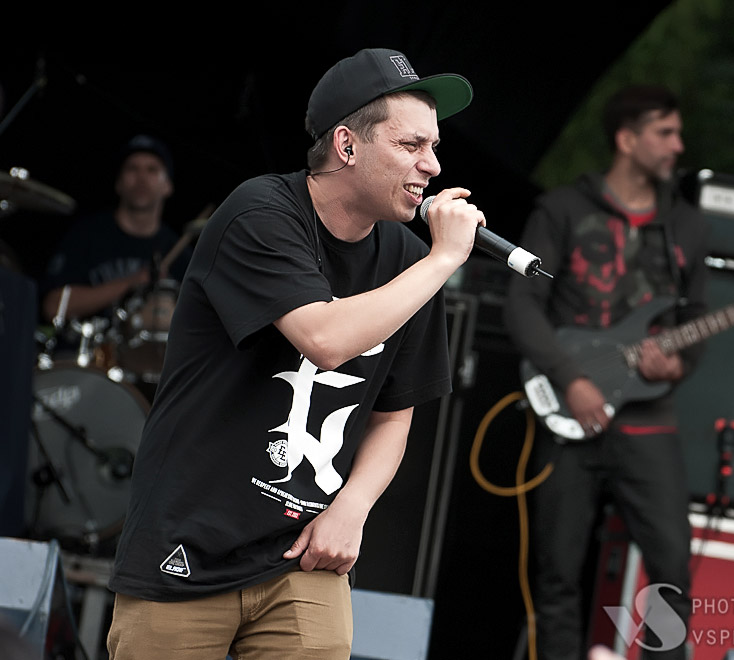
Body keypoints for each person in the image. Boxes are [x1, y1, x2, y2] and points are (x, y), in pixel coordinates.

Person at [105, 48, 481, 660]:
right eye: (411, 145)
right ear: (347, 145)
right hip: (191, 538)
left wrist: (352, 510)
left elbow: (394, 413)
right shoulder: (261, 213)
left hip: (306, 553)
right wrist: (444, 259)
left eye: (434, 147)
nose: (432, 165)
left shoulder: (412, 263)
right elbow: (325, 340)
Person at [503, 85, 710, 659]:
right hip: (570, 414)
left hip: (648, 420)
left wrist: (678, 363)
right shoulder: (563, 209)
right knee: (556, 573)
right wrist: (571, 378)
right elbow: (522, 305)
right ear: (626, 138)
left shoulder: (687, 226)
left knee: (672, 569)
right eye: (665, 133)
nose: (678, 145)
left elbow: (696, 318)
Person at [40, 134, 189, 325]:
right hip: (88, 342)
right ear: (118, 183)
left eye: (152, 170)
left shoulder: (179, 252)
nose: (141, 178)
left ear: (168, 186)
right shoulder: (87, 235)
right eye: (132, 168)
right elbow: (53, 307)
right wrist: (131, 283)